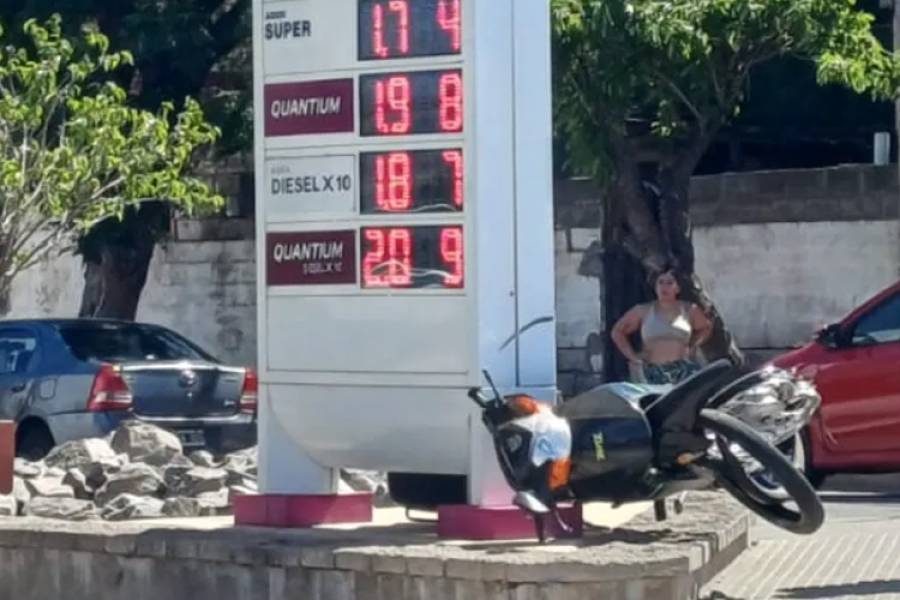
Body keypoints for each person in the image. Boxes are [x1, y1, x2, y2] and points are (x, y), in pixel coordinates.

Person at [611, 266, 713, 385]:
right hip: (652, 371)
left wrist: (693, 345)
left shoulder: (689, 309)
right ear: (655, 287)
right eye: (661, 282)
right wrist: (633, 357)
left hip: (683, 371)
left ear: (678, 288)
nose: (664, 287)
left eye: (670, 283)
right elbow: (617, 332)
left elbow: (706, 327)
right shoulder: (643, 310)